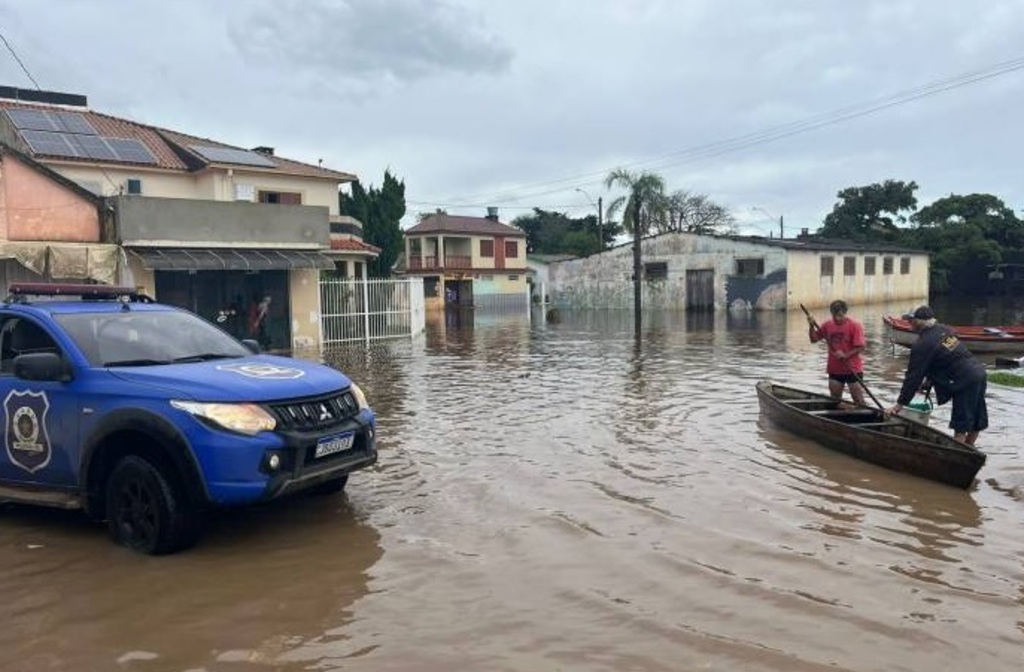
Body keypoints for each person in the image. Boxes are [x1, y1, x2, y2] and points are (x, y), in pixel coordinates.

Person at [887, 305, 988, 445]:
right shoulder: (945, 331)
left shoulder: (922, 344)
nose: (909, 324)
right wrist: (928, 382)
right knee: (976, 420)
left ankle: (959, 456)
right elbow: (949, 357)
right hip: (978, 373)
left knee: (961, 424)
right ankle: (970, 449)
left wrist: (899, 405)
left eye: (910, 320)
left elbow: (913, 377)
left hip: (964, 380)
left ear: (918, 322)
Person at [807, 299, 867, 404]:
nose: (836, 318)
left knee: (858, 400)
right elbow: (814, 339)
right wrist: (811, 325)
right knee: (835, 400)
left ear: (844, 313)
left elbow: (861, 347)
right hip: (835, 369)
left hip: (852, 369)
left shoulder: (855, 326)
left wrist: (846, 355)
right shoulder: (827, 325)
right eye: (833, 315)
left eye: (839, 315)